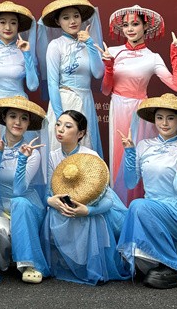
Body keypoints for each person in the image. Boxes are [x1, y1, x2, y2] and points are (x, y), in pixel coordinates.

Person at [117, 94, 177, 289]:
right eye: (159, 118)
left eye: (170, 118)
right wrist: (129, 151)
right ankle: (158, 257)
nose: (164, 123)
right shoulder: (144, 145)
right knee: (133, 210)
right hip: (150, 210)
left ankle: (172, 265)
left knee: (137, 206)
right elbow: (131, 182)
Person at [101, 5, 177, 203]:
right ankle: (119, 205)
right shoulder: (112, 52)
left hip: (140, 112)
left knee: (139, 156)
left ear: (145, 26)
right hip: (118, 106)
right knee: (119, 154)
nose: (130, 29)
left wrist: (175, 54)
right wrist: (108, 67)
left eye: (135, 24)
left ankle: (140, 204)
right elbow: (105, 90)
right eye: (126, 25)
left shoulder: (152, 57)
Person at [44, 110, 129, 285]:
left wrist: (88, 210)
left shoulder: (90, 156)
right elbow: (48, 192)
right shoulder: (52, 157)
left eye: (68, 126)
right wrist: (50, 201)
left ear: (80, 133)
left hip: (94, 206)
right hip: (63, 206)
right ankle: (67, 263)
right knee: (52, 214)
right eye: (58, 124)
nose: (60, 129)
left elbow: (107, 199)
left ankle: (94, 265)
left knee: (92, 218)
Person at [0, 96, 49, 284]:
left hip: (27, 207)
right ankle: (4, 265)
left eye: (24, 118)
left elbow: (19, 190)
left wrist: (22, 159)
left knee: (19, 202)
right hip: (1, 207)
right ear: (4, 118)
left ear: (28, 124)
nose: (18, 122)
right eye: (13, 116)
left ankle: (28, 263)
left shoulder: (33, 153)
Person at [36, 0, 104, 157]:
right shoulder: (56, 45)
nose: (72, 21)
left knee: (86, 146)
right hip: (65, 99)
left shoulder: (89, 43)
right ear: (58, 22)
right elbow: (52, 83)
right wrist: (61, 116)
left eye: (76, 16)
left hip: (86, 99)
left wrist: (90, 44)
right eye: (66, 18)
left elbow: (98, 73)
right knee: (62, 149)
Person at [0, 1, 39, 137]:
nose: (8, 27)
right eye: (3, 22)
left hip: (19, 107)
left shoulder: (25, 50)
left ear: (18, 26)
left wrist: (27, 54)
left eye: (13, 23)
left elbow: (33, 86)